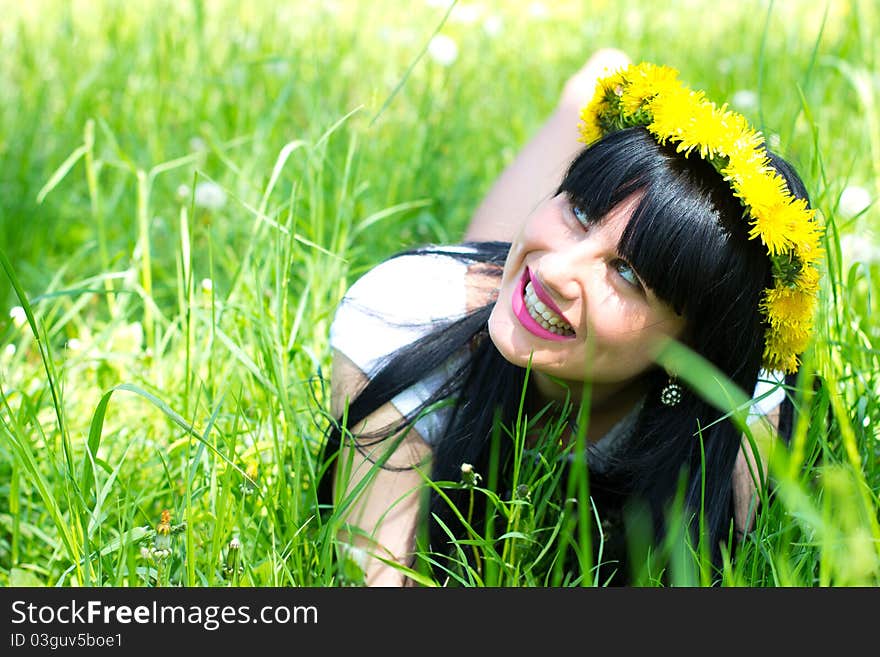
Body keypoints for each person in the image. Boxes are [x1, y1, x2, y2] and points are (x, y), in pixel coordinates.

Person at [319, 49, 822, 586]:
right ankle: (586, 91)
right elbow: (373, 584)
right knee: (506, 260)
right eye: (579, 209)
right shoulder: (404, 321)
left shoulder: (740, 407)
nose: (559, 268)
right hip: (472, 310)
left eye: (627, 275)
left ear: (691, 355)